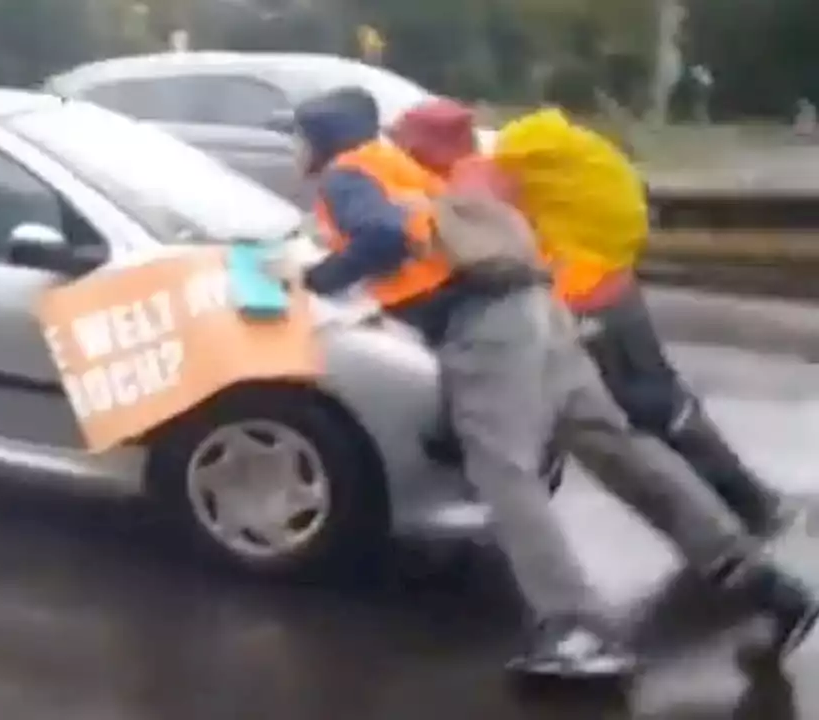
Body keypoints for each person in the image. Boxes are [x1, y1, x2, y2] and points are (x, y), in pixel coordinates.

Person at [290, 86, 818, 678]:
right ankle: (761, 583)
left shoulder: (345, 175)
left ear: (321, 137)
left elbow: (385, 238)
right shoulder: (391, 162)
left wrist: (317, 280)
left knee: (503, 471)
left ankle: (577, 631)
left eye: (301, 137)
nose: (298, 149)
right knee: (617, 449)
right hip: (536, 306)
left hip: (484, 323)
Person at [390, 99, 794, 540]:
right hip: (610, 282)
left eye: (409, 145)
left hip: (583, 297)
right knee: (660, 402)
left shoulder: (475, 180)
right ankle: (749, 505)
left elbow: (475, 256)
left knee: (639, 410)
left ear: (429, 146)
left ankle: (738, 519)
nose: (404, 154)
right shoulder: (503, 159)